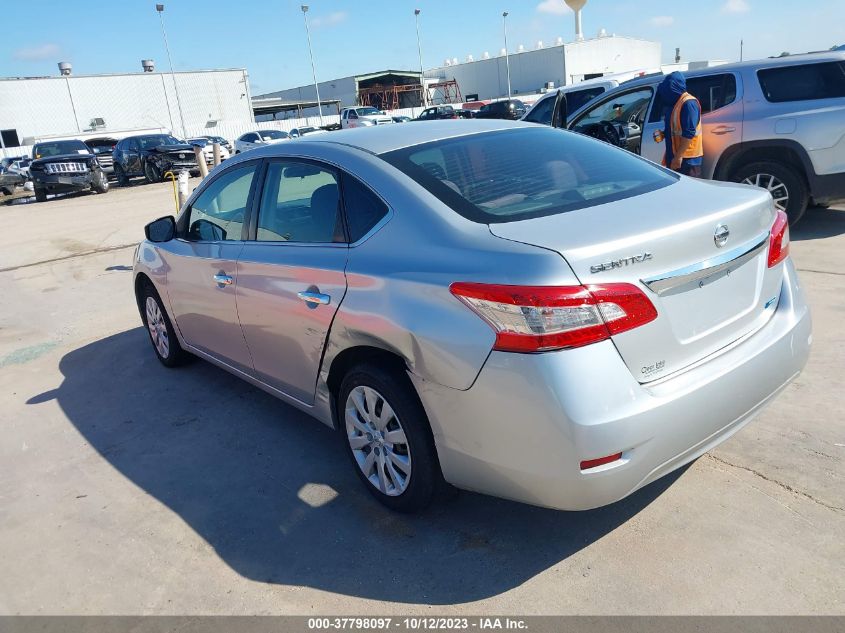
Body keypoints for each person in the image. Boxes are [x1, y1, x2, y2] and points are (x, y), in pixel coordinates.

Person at [656, 71, 703, 177]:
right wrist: (663, 134)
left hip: (688, 159)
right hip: (675, 156)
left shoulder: (688, 103)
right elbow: (675, 129)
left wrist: (678, 157)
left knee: (689, 191)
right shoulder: (675, 103)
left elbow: (689, 133)